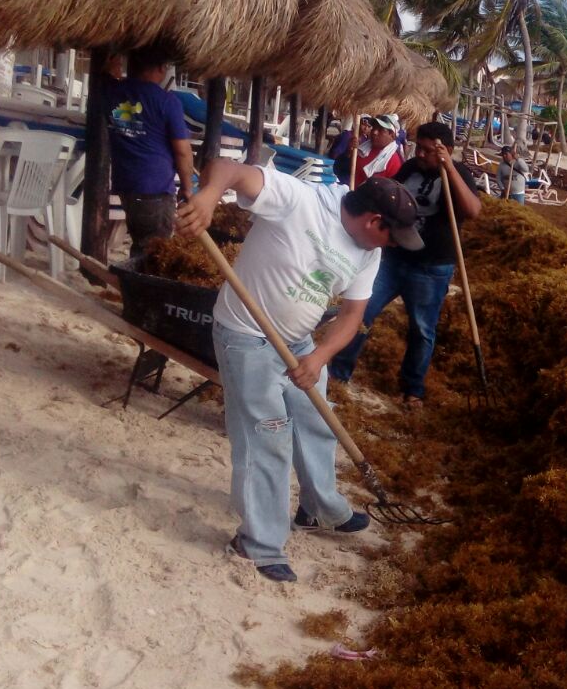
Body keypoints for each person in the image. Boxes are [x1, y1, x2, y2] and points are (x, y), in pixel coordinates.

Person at [175, 158, 424, 583]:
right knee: (266, 434)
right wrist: (207, 197)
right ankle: (259, 544)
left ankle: (319, 509)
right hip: (245, 334)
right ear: (373, 219)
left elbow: (350, 317)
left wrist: (318, 357)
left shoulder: (370, 252)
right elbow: (229, 168)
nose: (395, 245)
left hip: (300, 343)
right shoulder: (300, 200)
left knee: (315, 420)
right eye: (392, 234)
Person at [329, 121, 482, 407]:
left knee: (422, 330)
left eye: (427, 150)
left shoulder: (459, 173)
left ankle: (413, 389)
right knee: (362, 313)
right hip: (393, 258)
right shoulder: (410, 167)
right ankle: (338, 372)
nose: (420, 155)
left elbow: (473, 211)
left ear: (445, 150)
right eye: (418, 148)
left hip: (431, 267)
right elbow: (389, 194)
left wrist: (449, 168)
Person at [107, 45, 194, 257]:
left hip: (126, 186)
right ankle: (138, 289)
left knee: (141, 243)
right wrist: (187, 187)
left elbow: (109, 71)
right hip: (155, 189)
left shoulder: (111, 92)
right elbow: (183, 151)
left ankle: (132, 286)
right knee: (155, 252)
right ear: (161, 68)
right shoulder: (166, 102)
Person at [355, 113, 403, 182]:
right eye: (374, 128)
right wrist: (349, 152)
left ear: (392, 135)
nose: (374, 132)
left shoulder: (394, 161)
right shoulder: (362, 149)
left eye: (380, 130)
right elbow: (342, 168)